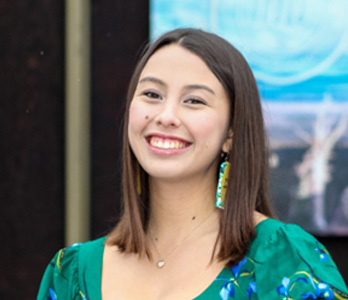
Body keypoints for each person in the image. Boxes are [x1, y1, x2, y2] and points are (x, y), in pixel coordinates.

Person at [37, 28, 348, 300]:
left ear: (231, 132)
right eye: (151, 94)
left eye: (194, 100)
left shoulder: (282, 261)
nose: (166, 116)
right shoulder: (70, 274)